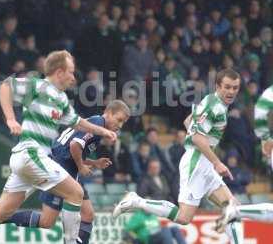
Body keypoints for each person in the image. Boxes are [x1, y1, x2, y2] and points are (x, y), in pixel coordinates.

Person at [0, 50, 117, 244]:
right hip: (31, 154)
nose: (73, 76)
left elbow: (78, 122)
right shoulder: (37, 85)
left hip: (30, 160)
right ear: (59, 72)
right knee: (76, 193)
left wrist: (103, 132)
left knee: (2, 211)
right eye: (70, 71)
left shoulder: (61, 99)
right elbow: (5, 87)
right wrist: (11, 119)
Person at [112, 69, 273, 244]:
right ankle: (137, 201)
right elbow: (196, 137)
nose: (231, 91)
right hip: (197, 162)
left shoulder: (210, 101)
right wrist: (217, 162)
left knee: (232, 207)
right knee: (183, 217)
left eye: (235, 87)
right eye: (227, 87)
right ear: (218, 86)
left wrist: (205, 149)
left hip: (204, 162)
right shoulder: (215, 107)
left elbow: (188, 121)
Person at [5, 100, 130, 244]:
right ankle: (3, 216)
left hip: (68, 168)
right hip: (60, 170)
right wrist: (82, 167)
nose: (120, 126)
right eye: (119, 120)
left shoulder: (96, 124)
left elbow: (73, 150)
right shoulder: (98, 123)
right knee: (47, 220)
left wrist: (94, 163)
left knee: (87, 215)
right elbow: (74, 145)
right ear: (109, 113)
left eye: (123, 123)